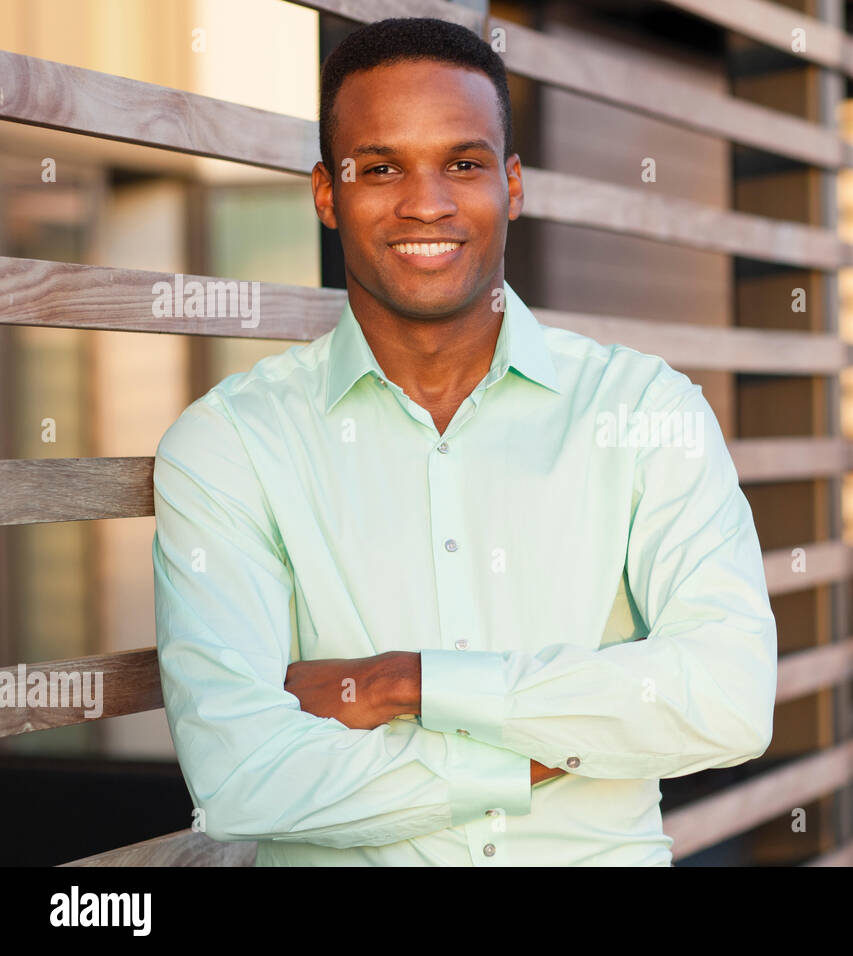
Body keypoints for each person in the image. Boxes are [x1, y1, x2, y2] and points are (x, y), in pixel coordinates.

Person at [151, 16, 777, 866]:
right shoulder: (230, 446)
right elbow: (242, 777)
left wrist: (408, 681)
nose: (426, 203)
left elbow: (730, 698)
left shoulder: (646, 412)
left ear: (511, 185)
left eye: (463, 163)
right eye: (380, 168)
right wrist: (552, 744)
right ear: (327, 194)